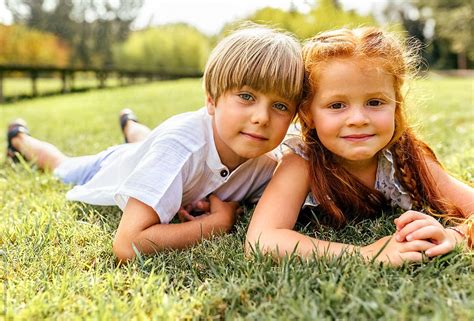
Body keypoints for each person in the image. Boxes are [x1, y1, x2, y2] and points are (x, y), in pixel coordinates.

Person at [6, 24, 304, 262]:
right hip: (112, 166)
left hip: (156, 149)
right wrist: (215, 224)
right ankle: (20, 138)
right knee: (63, 167)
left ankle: (132, 127)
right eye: (246, 97)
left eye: (280, 106)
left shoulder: (274, 161)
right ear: (211, 101)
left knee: (148, 142)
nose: (262, 118)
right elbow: (127, 245)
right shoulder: (179, 147)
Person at [246, 27, 473, 266]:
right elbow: (261, 241)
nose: (358, 119)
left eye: (374, 102)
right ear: (307, 114)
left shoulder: (404, 155)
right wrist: (365, 254)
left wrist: (454, 236)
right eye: (336, 105)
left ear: (395, 106)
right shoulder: (301, 160)